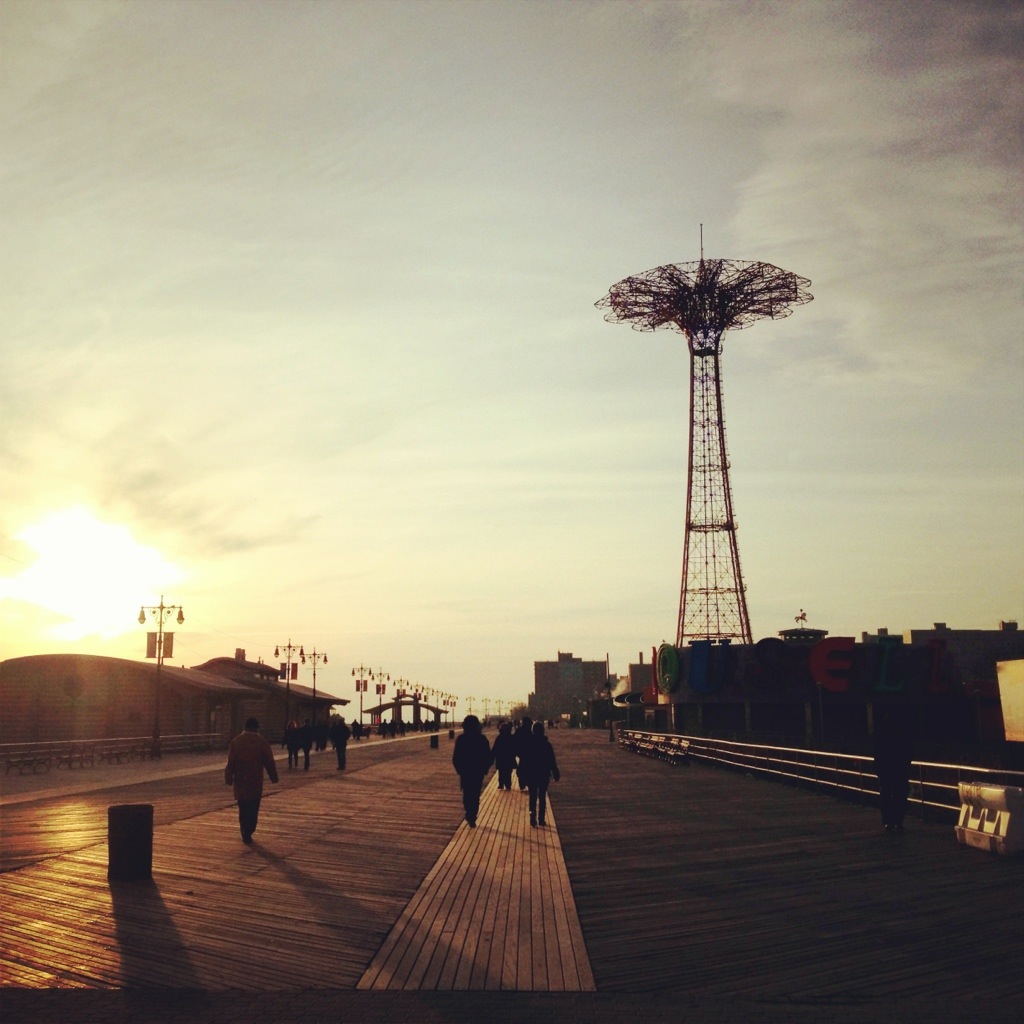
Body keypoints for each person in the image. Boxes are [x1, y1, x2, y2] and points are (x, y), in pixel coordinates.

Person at [225, 717, 279, 845]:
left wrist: (228, 778)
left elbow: (230, 762)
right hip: (255, 780)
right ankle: (249, 830)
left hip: (240, 780)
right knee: (253, 808)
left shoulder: (235, 741)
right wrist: (274, 777)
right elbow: (269, 762)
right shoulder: (262, 742)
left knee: (242, 807)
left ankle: (244, 830)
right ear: (257, 728)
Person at [873, 702, 916, 832]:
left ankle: (888, 821)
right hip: (900, 769)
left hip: (886, 769)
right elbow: (908, 751)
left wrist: (878, 769)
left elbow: (877, 753)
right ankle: (898, 821)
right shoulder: (903, 734)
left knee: (886, 795)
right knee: (900, 795)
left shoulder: (882, 735)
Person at [452, 714, 493, 828]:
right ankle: (472, 816)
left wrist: (460, 770)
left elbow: (456, 757)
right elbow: (489, 757)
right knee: (475, 794)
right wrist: (484, 769)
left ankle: (469, 813)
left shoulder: (461, 739)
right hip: (477, 771)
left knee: (467, 794)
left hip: (466, 771)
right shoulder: (482, 739)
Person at [520, 720, 560, 827]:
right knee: (542, 796)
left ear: (533, 731)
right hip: (543, 773)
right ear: (543, 731)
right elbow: (551, 760)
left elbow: (524, 760)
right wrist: (555, 772)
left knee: (532, 796)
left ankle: (532, 817)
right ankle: (541, 819)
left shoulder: (528, 745)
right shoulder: (546, 745)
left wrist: (521, 774)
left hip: (531, 774)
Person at [491, 721, 517, 790]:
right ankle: (508, 784)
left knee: (501, 772)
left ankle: (501, 784)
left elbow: (495, 748)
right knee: (508, 772)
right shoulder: (511, 737)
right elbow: (515, 747)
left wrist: (492, 757)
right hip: (509, 757)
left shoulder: (499, 738)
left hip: (501, 758)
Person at [513, 716, 533, 791]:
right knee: (530, 769)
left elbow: (514, 741)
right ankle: (529, 782)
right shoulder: (531, 730)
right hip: (531, 753)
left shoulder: (519, 730)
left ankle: (522, 783)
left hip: (522, 753)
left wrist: (515, 752)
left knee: (522, 769)